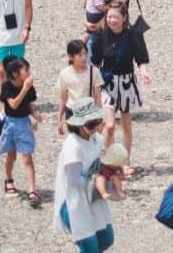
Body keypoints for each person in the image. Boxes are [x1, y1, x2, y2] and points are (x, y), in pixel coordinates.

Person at [92, 0, 151, 164]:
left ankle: (125, 161)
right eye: (109, 17)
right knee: (109, 125)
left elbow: (141, 59)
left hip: (127, 82)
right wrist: (91, 85)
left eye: (115, 17)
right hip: (107, 83)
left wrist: (144, 73)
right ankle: (108, 162)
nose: (112, 20)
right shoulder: (100, 35)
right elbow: (95, 63)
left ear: (124, 17)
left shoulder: (134, 34)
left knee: (126, 124)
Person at [53, 97, 113, 252]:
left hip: (93, 199)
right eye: (90, 125)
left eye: (96, 122)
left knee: (106, 238)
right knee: (90, 247)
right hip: (75, 203)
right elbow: (74, 180)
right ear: (78, 125)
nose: (94, 128)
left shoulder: (96, 139)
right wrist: (97, 182)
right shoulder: (73, 145)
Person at [0, 55, 43, 207]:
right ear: (16, 74)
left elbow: (28, 103)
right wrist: (24, 89)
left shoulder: (29, 86)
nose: (29, 73)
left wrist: (34, 113)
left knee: (27, 157)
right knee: (11, 156)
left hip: (24, 124)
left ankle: (32, 190)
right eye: (26, 70)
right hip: (10, 124)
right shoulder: (7, 87)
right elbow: (14, 105)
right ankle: (9, 179)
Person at [56, 40, 112, 142]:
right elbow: (63, 98)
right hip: (72, 112)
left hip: (89, 112)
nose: (84, 57)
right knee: (74, 143)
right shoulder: (64, 74)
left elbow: (97, 97)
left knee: (89, 142)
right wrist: (59, 119)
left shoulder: (94, 71)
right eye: (80, 55)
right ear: (71, 57)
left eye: (85, 54)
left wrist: (100, 120)